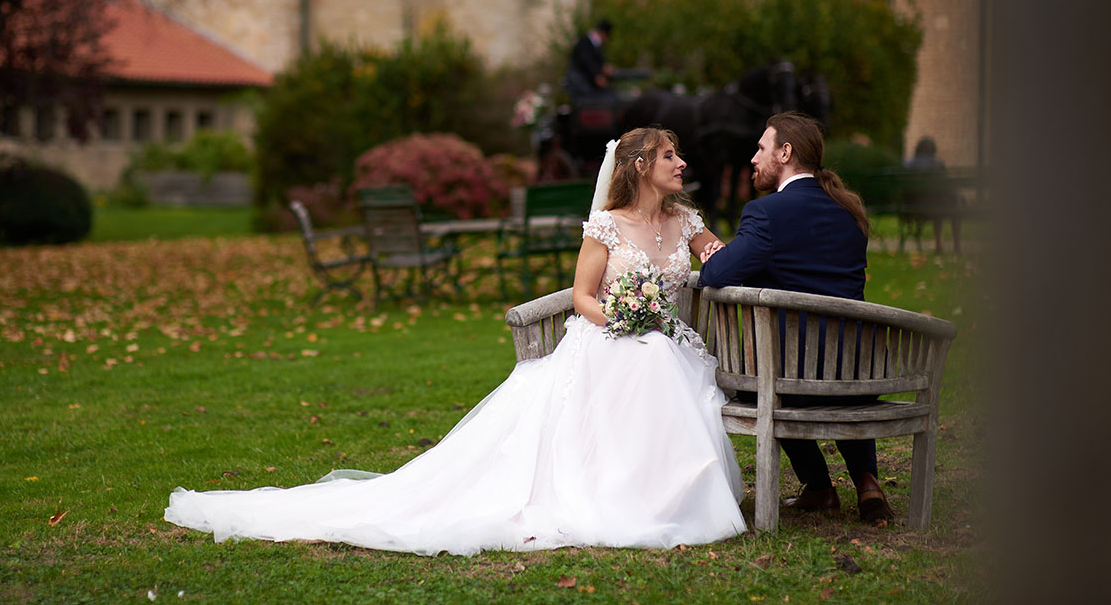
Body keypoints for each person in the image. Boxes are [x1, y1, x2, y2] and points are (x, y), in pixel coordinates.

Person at [165, 127, 746, 554]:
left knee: (660, 364)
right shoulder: (606, 225)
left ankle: (666, 495)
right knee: (642, 363)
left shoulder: (687, 221)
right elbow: (582, 297)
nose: (683, 162)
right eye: (672, 155)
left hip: (665, 337)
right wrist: (621, 323)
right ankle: (627, 496)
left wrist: (723, 266)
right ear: (642, 164)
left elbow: (723, 259)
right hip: (608, 337)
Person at [698, 111, 893, 523]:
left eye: (761, 148)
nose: (753, 158)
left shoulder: (766, 214)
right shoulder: (848, 213)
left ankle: (820, 485)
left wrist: (723, 257)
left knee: (767, 381)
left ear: (785, 153)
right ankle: (867, 483)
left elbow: (715, 275)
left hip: (792, 378)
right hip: (856, 376)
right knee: (824, 366)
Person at [563, 19, 613, 98]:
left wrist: (602, 67)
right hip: (581, 81)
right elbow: (586, 61)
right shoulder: (585, 42)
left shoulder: (592, 43)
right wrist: (597, 75)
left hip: (585, 80)